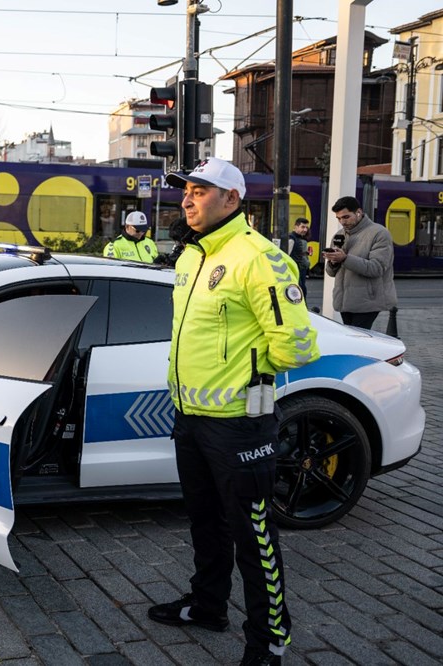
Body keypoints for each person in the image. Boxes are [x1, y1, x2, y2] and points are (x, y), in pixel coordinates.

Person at [151, 158, 319, 666]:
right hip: (191, 415)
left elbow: (297, 344)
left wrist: (252, 374)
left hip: (241, 425)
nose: (188, 199)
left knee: (253, 535)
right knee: (205, 521)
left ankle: (269, 640)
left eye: (201, 191)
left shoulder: (258, 258)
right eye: (187, 190)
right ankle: (207, 606)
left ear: (232, 200)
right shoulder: (189, 256)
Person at [323, 196, 397, 329]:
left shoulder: (379, 233)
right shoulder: (339, 235)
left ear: (359, 212)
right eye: (339, 218)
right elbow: (331, 273)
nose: (342, 222)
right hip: (344, 302)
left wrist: (345, 258)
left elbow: (377, 268)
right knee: (353, 340)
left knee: (360, 340)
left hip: (368, 302)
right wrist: (333, 262)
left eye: (346, 217)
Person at [288, 217, 310, 299]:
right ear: (296, 227)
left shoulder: (298, 238)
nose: (305, 230)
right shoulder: (292, 239)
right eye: (302, 227)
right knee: (301, 292)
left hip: (300, 270)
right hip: (296, 271)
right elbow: (287, 256)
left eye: (306, 227)